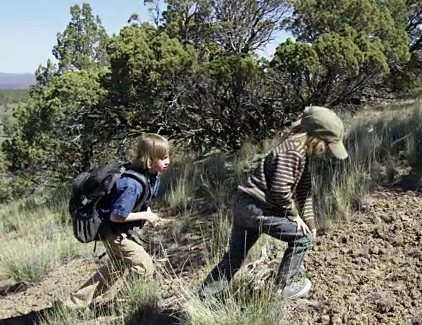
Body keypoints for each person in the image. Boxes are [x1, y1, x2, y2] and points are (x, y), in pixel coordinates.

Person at [199, 106, 349, 300]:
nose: (326, 150)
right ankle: (284, 285)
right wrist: (294, 216)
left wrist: (310, 224)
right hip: (258, 209)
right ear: (315, 136)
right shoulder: (293, 152)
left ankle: (203, 298)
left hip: (245, 205)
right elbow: (280, 190)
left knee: (233, 258)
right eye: (326, 144)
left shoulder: (297, 150)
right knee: (300, 238)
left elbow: (304, 191)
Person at [58, 133, 171, 310]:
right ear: (149, 159)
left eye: (168, 156)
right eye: (163, 158)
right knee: (144, 267)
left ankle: (72, 305)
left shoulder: (151, 176)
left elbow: (144, 201)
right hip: (114, 232)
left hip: (118, 231)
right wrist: (145, 217)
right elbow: (116, 216)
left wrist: (148, 212)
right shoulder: (131, 185)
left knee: (116, 268)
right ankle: (124, 302)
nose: (168, 161)